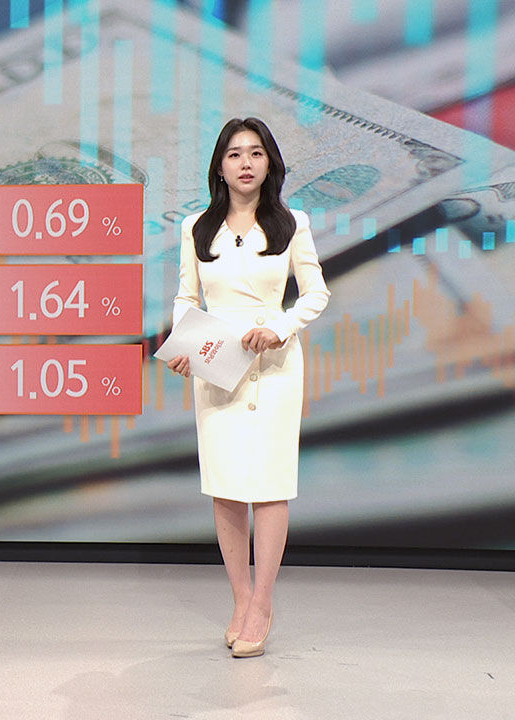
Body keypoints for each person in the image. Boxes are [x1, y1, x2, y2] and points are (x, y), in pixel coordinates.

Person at [166, 117, 330, 658]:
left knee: (270, 483)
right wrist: (186, 347)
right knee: (227, 484)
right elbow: (186, 299)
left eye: (255, 153)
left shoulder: (292, 223)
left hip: (275, 366)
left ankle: (262, 602)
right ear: (220, 165)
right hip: (218, 364)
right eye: (235, 154)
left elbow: (315, 294)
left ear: (269, 163)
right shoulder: (196, 227)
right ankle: (240, 598)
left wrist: (280, 327)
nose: (245, 163)